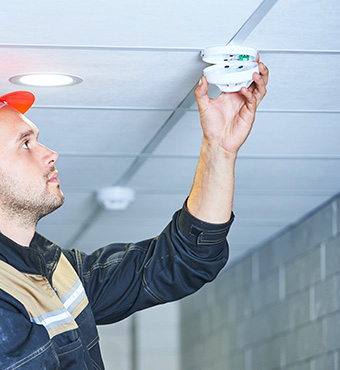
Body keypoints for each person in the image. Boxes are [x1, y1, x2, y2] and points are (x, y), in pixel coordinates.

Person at [0, 58, 268, 369]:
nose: (50, 153)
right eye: (25, 144)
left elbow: (184, 261)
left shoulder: (55, 270)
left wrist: (220, 148)